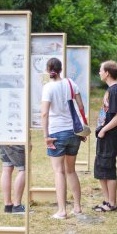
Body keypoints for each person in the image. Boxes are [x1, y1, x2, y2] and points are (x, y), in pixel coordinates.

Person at [41, 57, 86, 219]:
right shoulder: (71, 84)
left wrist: (45, 136)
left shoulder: (48, 88)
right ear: (61, 69)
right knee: (71, 170)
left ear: (48, 70)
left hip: (56, 132)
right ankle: (78, 207)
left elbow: (44, 113)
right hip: (73, 132)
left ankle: (62, 210)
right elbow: (80, 106)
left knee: (59, 171)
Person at [92, 60, 117, 212]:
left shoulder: (116, 91)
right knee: (100, 167)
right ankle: (106, 201)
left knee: (108, 167)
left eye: (101, 70)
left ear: (107, 73)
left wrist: (104, 129)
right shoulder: (111, 90)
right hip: (103, 134)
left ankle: (112, 203)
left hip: (111, 136)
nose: (99, 73)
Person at [0, 145, 26, 214]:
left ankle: (8, 205)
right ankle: (17, 206)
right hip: (17, 138)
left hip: (3, 138)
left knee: (7, 167)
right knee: (23, 169)